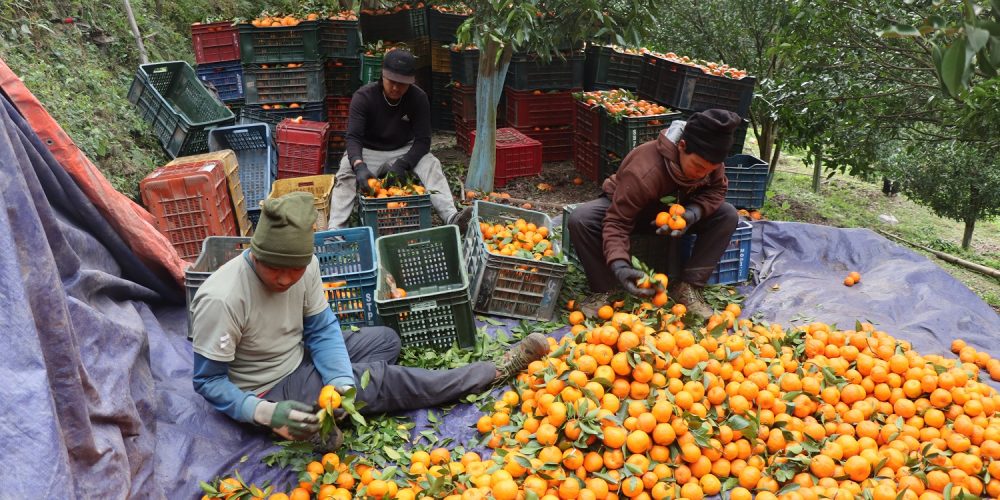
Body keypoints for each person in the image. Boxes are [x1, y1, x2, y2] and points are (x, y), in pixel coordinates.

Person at [191, 192, 548, 449]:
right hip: (267, 386)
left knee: (386, 340)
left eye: (293, 269)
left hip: (297, 353)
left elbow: (321, 327)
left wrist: (340, 381)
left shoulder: (307, 265)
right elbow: (208, 381)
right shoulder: (224, 297)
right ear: (255, 253)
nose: (285, 279)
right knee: (382, 379)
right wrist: (265, 412)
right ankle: (490, 371)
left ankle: (327, 412)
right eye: (273, 268)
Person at [566, 109, 742, 318]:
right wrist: (620, 265)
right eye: (698, 166)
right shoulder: (645, 170)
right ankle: (605, 290)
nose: (702, 174)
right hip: (631, 209)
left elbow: (717, 190)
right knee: (582, 219)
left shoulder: (710, 162)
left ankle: (688, 287)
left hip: (673, 215)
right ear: (682, 146)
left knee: (727, 215)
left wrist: (693, 213)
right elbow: (618, 222)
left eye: (709, 170)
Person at [328, 49, 472, 232]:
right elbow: (353, 137)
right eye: (392, 82)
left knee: (431, 164)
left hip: (403, 148)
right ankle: (336, 230)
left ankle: (451, 217)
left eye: (402, 84)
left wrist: (404, 163)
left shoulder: (418, 98)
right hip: (368, 149)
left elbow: (423, 141)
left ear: (411, 82)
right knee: (345, 172)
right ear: (382, 76)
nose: (396, 88)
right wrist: (359, 165)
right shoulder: (363, 97)